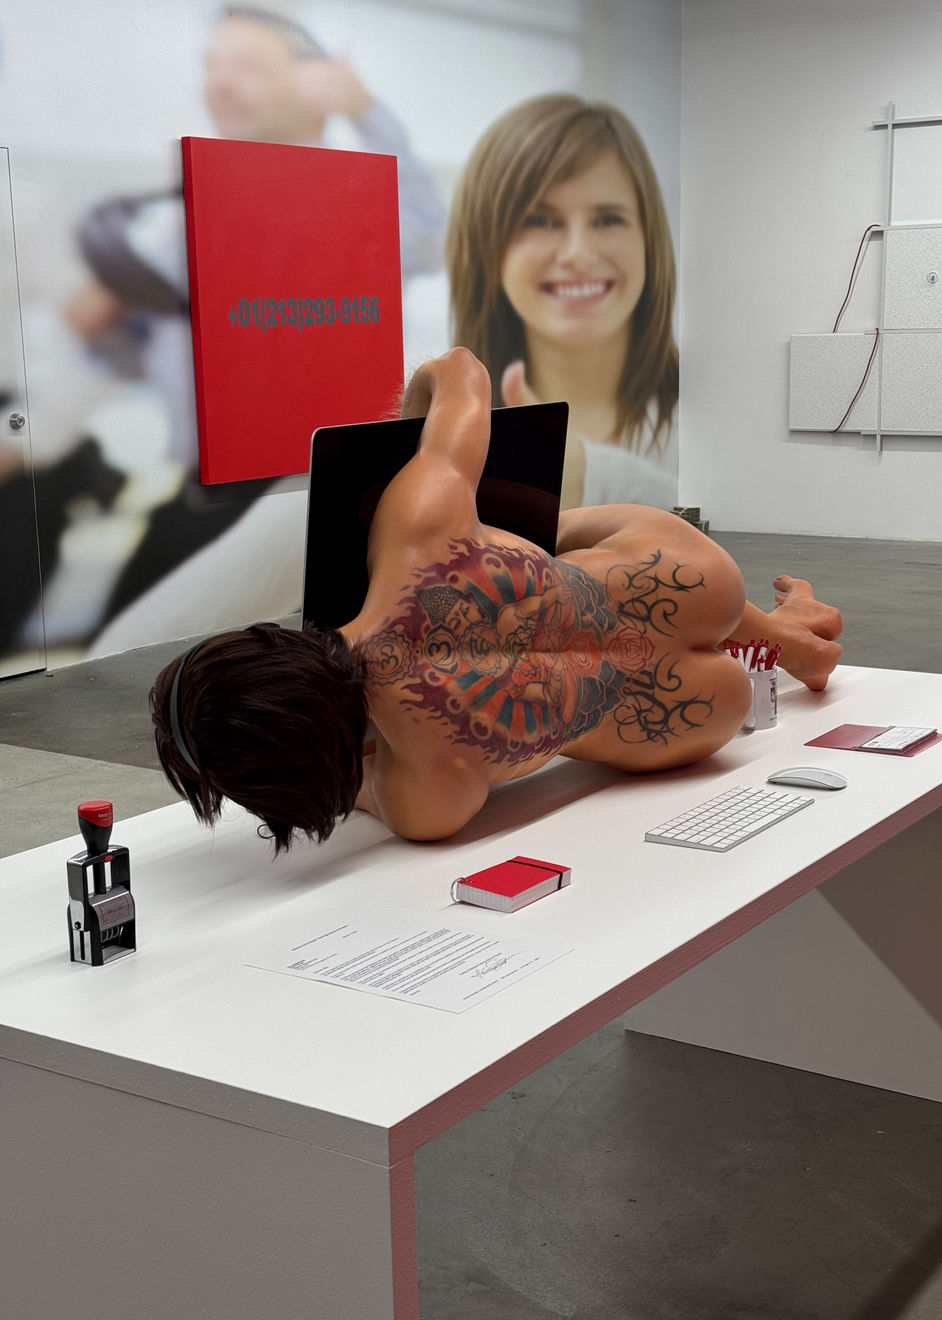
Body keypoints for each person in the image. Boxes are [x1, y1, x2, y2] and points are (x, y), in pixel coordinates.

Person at [150, 349, 843, 848]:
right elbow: (462, 371)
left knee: (542, 562)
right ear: (268, 639)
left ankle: (797, 641)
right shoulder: (416, 530)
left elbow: (345, 787)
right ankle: (794, 637)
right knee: (536, 539)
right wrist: (408, 441)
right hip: (694, 577)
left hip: (700, 719)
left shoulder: (426, 798)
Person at [63, 4, 446, 634]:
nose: (219, 84)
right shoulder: (168, 224)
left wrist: (365, 108)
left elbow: (430, 236)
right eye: (211, 65)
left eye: (247, 66)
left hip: (333, 497)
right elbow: (128, 349)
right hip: (205, 505)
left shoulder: (362, 206)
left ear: (316, 85)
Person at [447, 94, 678, 510]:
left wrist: (587, 476)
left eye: (607, 220)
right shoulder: (440, 433)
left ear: (649, 241)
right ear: (487, 252)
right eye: (541, 220)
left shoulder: (724, 423)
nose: (578, 254)